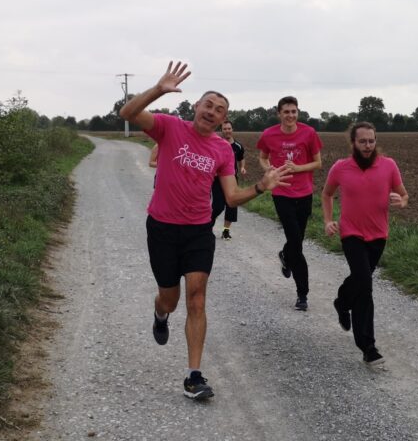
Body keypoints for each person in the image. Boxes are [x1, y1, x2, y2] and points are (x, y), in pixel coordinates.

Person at [119, 61, 291, 401]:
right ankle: (160, 312)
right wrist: (157, 89)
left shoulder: (222, 150)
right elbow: (128, 112)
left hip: (198, 230)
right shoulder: (169, 127)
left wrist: (261, 186)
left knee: (197, 299)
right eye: (208, 105)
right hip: (163, 228)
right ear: (196, 106)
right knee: (171, 298)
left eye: (220, 110)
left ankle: (193, 376)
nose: (212, 112)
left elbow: (231, 197)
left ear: (223, 119)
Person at [321, 122, 408, 367]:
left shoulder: (389, 166)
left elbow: (404, 194)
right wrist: (328, 221)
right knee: (365, 284)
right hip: (351, 234)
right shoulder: (341, 168)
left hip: (379, 235)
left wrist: (401, 201)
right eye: (363, 141)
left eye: (371, 141)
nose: (368, 146)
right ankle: (368, 347)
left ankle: (342, 301)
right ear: (353, 143)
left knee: (360, 281)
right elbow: (327, 194)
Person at [257, 96, 323, 311]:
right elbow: (263, 157)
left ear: (298, 113)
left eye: (293, 111)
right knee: (296, 242)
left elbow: (318, 163)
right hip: (281, 193)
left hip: (304, 194)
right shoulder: (269, 134)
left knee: (297, 240)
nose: (290, 115)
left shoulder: (309, 133)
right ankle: (302, 294)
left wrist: (297, 168)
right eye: (286, 112)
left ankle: (285, 255)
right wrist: (269, 170)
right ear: (279, 114)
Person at [209, 120, 247, 239]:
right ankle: (207, 227)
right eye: (225, 129)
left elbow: (241, 158)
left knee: (232, 206)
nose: (227, 131)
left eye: (229, 128)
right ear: (222, 130)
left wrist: (242, 167)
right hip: (217, 179)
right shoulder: (216, 144)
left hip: (232, 179)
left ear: (232, 129)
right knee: (218, 206)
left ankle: (226, 231)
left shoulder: (238, 146)